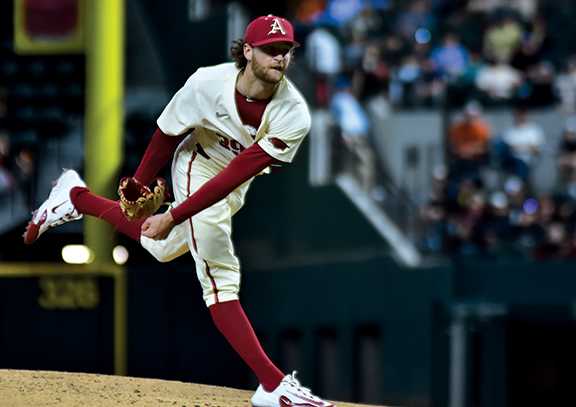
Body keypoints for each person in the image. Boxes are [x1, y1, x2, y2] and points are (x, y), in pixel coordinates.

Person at [23, 14, 334, 407]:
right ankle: (273, 386)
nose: (280, 58)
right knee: (219, 274)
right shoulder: (207, 83)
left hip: (231, 183)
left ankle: (76, 198)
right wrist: (137, 185)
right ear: (248, 51)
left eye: (286, 50)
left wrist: (171, 216)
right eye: (271, 50)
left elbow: (238, 171)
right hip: (196, 161)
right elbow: (165, 136)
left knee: (163, 247)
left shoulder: (293, 113)